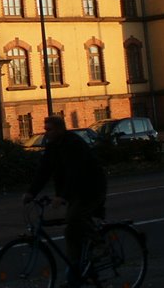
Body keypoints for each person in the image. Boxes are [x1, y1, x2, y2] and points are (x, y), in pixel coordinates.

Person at [23, 115, 107, 287]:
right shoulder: (53, 146)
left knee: (75, 217)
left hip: (91, 188)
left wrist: (62, 195)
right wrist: (31, 192)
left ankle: (100, 243)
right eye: (45, 129)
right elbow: (44, 170)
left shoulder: (73, 144)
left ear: (60, 129)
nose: (46, 133)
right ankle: (77, 274)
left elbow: (75, 172)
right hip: (76, 191)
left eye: (50, 129)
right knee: (71, 233)